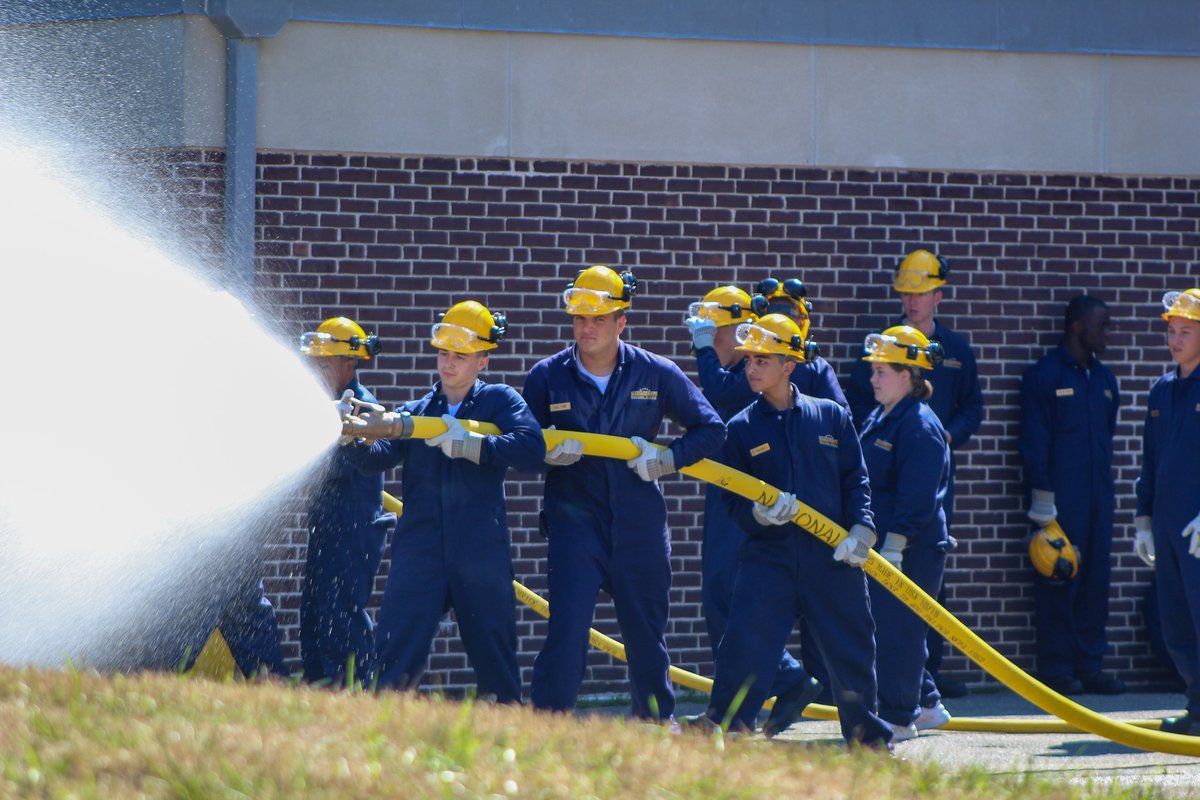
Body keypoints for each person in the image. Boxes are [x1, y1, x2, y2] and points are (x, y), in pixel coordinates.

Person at [523, 265, 726, 721]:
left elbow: (711, 428)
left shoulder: (655, 372)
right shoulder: (547, 376)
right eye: (579, 319)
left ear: (621, 322)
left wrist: (669, 459)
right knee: (567, 630)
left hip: (639, 524)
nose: (586, 328)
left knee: (645, 633)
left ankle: (655, 720)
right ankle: (547, 723)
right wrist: (546, 455)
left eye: (598, 319)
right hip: (574, 523)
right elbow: (521, 444)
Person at [698, 313, 891, 748]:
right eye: (748, 361)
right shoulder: (741, 429)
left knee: (851, 650)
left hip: (832, 557)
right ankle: (725, 731)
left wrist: (862, 528)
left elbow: (855, 479)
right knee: (744, 644)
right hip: (770, 558)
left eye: (762, 361)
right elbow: (732, 501)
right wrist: (758, 516)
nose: (750, 369)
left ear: (789, 365)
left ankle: (869, 741)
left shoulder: (831, 418)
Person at [344, 301, 544, 701]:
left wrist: (476, 446)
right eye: (443, 353)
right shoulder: (419, 410)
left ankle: (507, 738)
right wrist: (354, 440)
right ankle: (383, 732)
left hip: (480, 551)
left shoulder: (500, 402)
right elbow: (379, 458)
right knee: (395, 654)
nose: (448, 364)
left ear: (483, 361)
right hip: (420, 550)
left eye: (460, 356)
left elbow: (531, 446)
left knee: (496, 661)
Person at [844, 250, 983, 699]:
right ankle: (916, 694)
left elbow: (972, 409)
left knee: (912, 609)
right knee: (892, 617)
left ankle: (915, 695)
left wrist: (946, 436)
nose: (911, 302)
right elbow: (860, 403)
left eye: (920, 294)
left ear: (938, 296)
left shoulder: (955, 357)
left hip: (921, 488)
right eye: (906, 294)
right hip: (892, 490)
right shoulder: (886, 355)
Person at [685, 285, 821, 736]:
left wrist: (703, 349)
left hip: (752, 502)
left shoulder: (755, 362)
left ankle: (781, 683)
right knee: (720, 602)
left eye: (713, 326)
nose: (708, 333)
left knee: (732, 601)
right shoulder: (739, 367)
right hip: (729, 493)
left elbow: (724, 396)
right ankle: (735, 713)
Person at [1018, 296, 1126, 695]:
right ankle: (1059, 668)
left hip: (1099, 496)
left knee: (1096, 578)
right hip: (1060, 500)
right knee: (1059, 576)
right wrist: (1041, 499)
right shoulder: (1044, 377)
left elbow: (1108, 433)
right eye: (1103, 325)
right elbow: (1033, 441)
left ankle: (1090, 664)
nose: (1108, 333)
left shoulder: (1105, 381)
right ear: (1078, 327)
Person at [858, 325, 953, 741]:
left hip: (911, 548)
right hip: (886, 545)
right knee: (893, 626)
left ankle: (899, 718)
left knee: (899, 631)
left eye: (881, 371)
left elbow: (919, 494)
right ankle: (928, 704)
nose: (873, 378)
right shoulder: (882, 416)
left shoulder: (919, 425)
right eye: (874, 370)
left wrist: (896, 543)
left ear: (908, 375)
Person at [299, 316, 395, 686]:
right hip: (328, 526)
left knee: (340, 618)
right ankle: (319, 692)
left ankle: (353, 693)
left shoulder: (361, 409)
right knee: (313, 616)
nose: (316, 371)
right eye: (315, 362)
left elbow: (339, 465)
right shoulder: (323, 405)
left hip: (354, 529)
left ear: (349, 364)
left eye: (324, 363)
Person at [1133, 288, 1200, 736]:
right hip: (1169, 524)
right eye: (1171, 331)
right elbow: (1150, 461)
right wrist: (1144, 523)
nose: (1175, 340)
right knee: (1176, 621)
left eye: (1186, 331)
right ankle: (1196, 708)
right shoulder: (1161, 389)